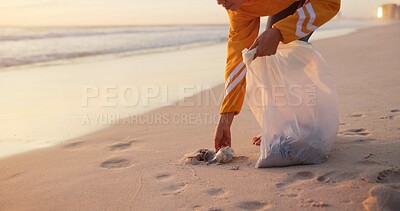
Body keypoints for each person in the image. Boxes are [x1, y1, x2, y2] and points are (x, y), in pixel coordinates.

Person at [214, 0, 341, 151]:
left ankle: (309, 122)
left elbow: (330, 3)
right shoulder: (238, 10)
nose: (218, 2)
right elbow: (237, 61)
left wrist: (280, 32)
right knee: (267, 54)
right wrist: (225, 117)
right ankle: (282, 125)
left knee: (288, 53)